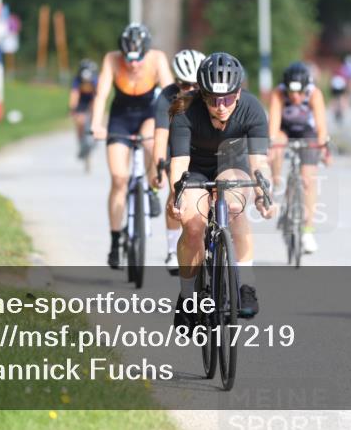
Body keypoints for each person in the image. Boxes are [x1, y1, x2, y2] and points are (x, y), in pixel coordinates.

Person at [168, 52, 276, 323]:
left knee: (234, 205)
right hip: (195, 168)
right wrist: (176, 197)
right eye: (213, 100)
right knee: (193, 225)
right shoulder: (185, 112)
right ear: (202, 94)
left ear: (238, 93)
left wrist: (264, 195)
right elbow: (179, 165)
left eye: (227, 98)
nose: (221, 106)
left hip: (232, 163)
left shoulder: (252, 109)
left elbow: (259, 162)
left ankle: (246, 285)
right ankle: (187, 296)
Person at [90, 23, 173, 269]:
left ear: (146, 52)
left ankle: (153, 189)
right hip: (121, 118)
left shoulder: (157, 59)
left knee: (152, 143)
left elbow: (170, 93)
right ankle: (116, 241)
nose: (133, 64)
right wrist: (96, 123)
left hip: (149, 114)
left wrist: (175, 122)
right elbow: (102, 94)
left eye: (138, 59)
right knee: (118, 178)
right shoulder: (112, 60)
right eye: (129, 58)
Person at [151, 48, 205, 275]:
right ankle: (173, 248)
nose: (190, 90)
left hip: (202, 146)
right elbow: (161, 135)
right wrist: (159, 167)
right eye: (184, 85)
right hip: (177, 145)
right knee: (176, 195)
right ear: (176, 82)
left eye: (195, 85)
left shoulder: (210, 95)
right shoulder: (166, 96)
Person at [268, 61, 331, 254]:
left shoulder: (314, 94)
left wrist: (324, 148)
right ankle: (277, 185)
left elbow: (321, 127)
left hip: (306, 132)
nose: (295, 97)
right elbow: (274, 127)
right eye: (291, 93)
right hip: (285, 130)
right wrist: (271, 147)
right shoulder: (278, 94)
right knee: (276, 143)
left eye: (299, 93)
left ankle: (307, 231)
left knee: (307, 179)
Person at [69, 59, 98, 163]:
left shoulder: (95, 80)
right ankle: (81, 143)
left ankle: (95, 139)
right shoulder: (77, 80)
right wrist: (73, 108)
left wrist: (96, 111)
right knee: (79, 121)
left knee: (96, 117)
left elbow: (97, 96)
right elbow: (74, 94)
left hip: (92, 101)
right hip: (81, 102)